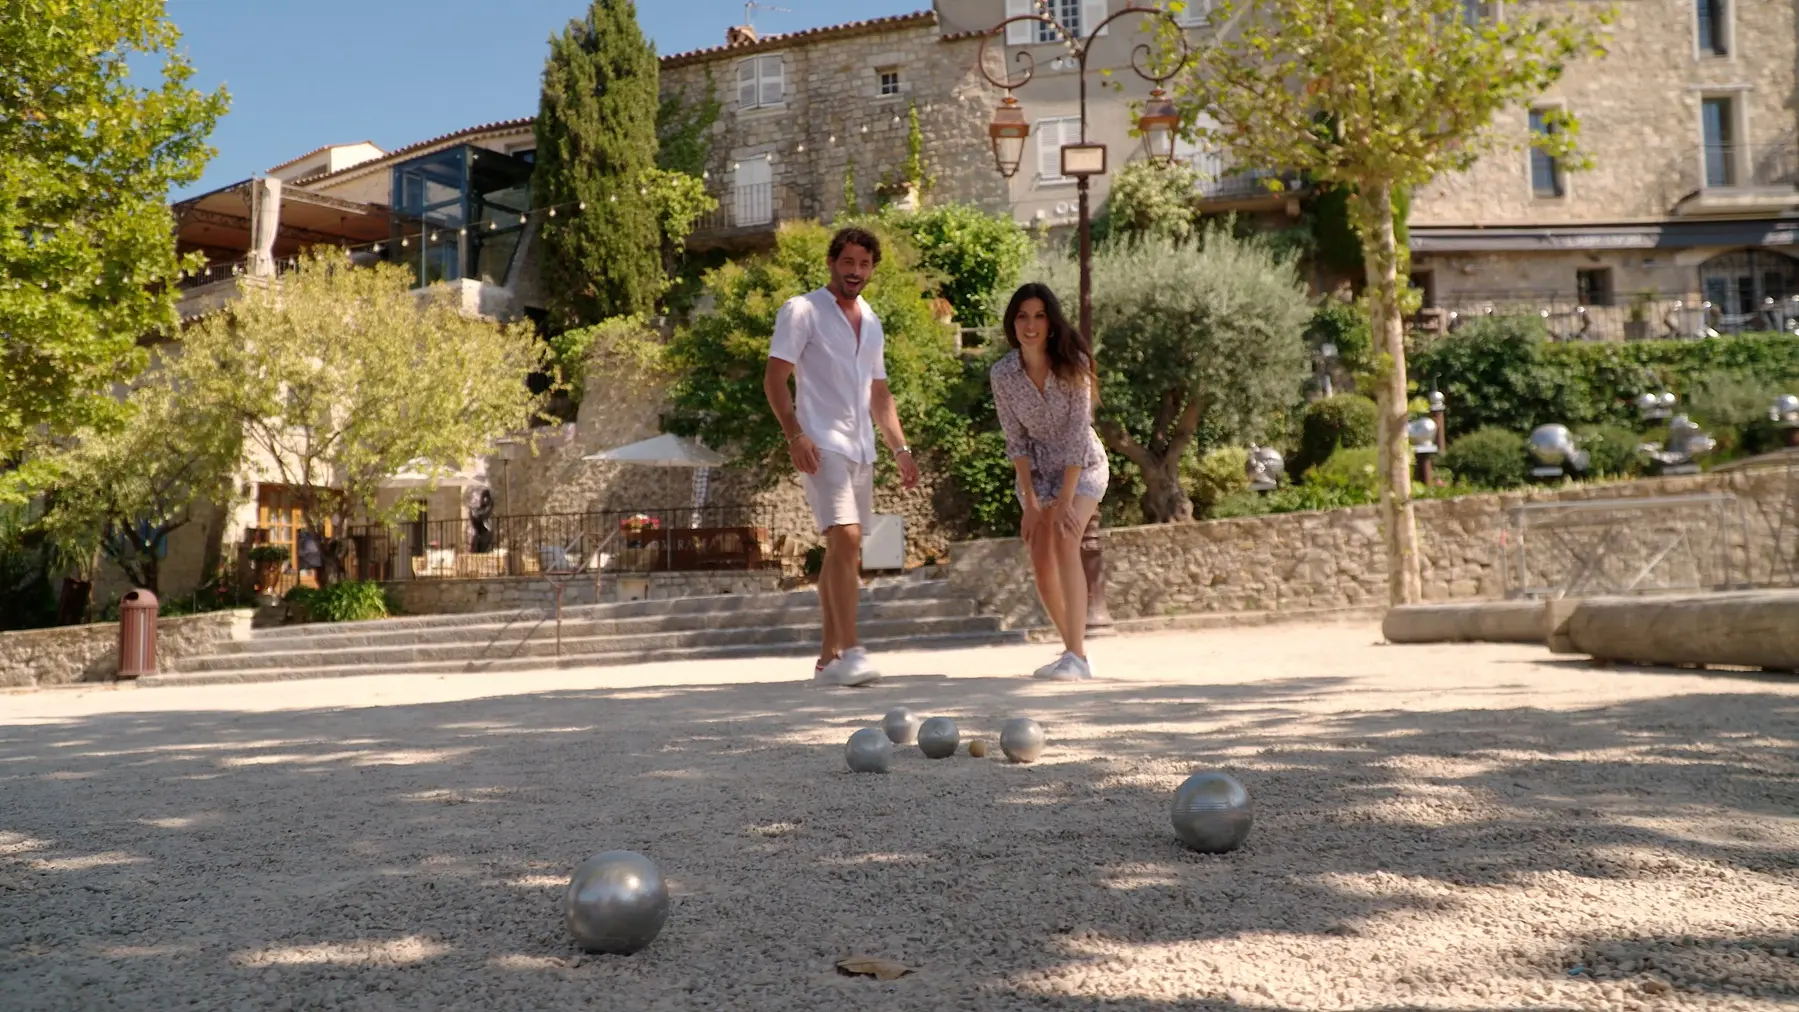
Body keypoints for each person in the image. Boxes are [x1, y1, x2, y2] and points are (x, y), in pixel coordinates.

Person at [764, 226, 920, 687]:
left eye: (864, 264)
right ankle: (852, 650)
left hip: (862, 448)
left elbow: (880, 394)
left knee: (843, 550)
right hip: (821, 442)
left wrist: (901, 448)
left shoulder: (872, 320)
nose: (856, 272)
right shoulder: (802, 310)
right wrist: (795, 435)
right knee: (847, 537)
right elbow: (775, 379)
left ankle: (827, 660)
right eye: (848, 262)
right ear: (833, 262)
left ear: (872, 269)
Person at [989, 282, 1108, 680]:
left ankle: (1076, 657)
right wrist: (1031, 503)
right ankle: (1071, 651)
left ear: (1051, 323)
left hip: (1083, 468)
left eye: (1039, 315)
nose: (1031, 324)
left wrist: (1064, 503)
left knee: (1064, 538)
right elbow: (1015, 441)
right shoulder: (1003, 374)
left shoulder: (1072, 364)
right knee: (1041, 560)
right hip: (1038, 473)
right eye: (1022, 316)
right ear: (1013, 322)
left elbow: (1078, 434)